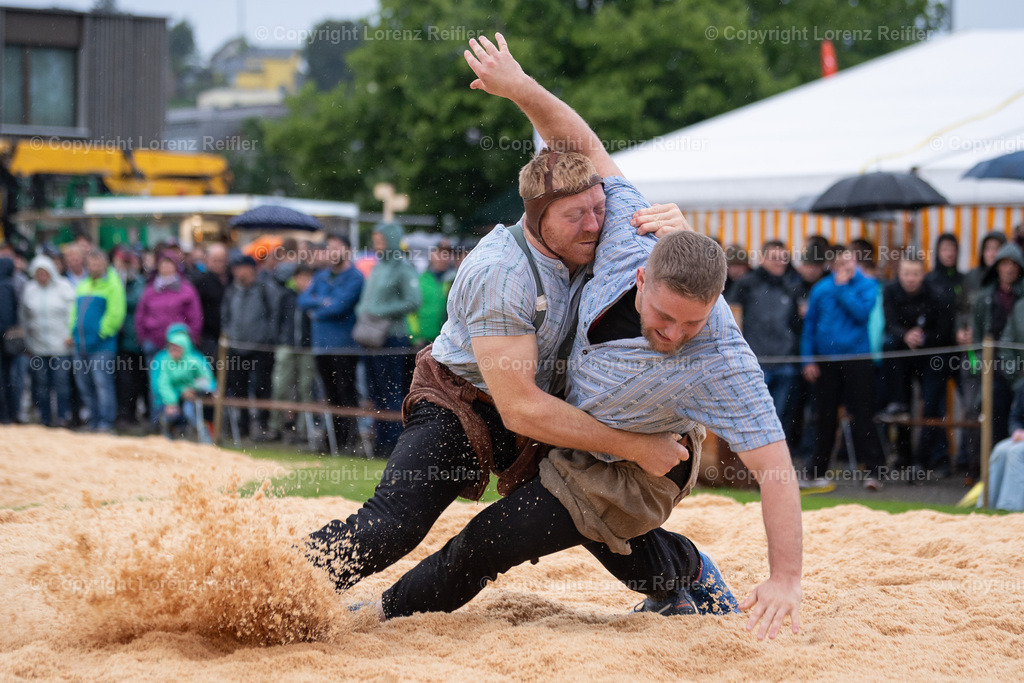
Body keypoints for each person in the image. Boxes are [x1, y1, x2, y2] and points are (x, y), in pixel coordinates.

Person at [304, 40, 693, 613]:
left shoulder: (604, 221)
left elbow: (581, 143)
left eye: (598, 208)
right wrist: (635, 445)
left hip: (542, 401)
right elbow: (520, 410)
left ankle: (684, 579)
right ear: (537, 218)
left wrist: (520, 87)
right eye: (576, 216)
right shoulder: (501, 272)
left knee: (589, 504)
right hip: (468, 401)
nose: (595, 224)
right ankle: (274, 582)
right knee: (394, 525)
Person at [801, 244, 886, 491]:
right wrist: (808, 359)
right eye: (841, 264)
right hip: (826, 361)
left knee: (863, 416)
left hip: (858, 359)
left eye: (850, 261)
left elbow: (862, 314)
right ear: (832, 265)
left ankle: (874, 471)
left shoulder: (868, 284)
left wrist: (842, 289)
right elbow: (810, 327)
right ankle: (816, 472)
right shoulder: (820, 289)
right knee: (825, 417)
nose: (847, 267)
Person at [356, 223, 422, 458]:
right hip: (371, 337)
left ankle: (394, 443)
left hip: (392, 337)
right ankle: (380, 440)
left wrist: (380, 310)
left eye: (381, 239)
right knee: (374, 390)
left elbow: (414, 301)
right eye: (375, 239)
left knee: (391, 391)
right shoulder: (378, 267)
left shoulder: (403, 268)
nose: (377, 244)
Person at [881, 256, 948, 475]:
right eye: (906, 273)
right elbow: (890, 324)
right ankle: (904, 456)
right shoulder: (890, 291)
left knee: (930, 407)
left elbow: (944, 330)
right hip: (901, 356)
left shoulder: (935, 294)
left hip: (930, 356)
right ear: (899, 274)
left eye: (915, 274)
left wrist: (923, 337)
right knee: (903, 407)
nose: (910, 279)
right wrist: (906, 335)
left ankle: (925, 459)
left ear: (923, 274)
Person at [298, 235, 364, 449]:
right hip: (321, 345)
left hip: (344, 346)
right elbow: (303, 299)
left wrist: (317, 310)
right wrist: (322, 302)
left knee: (346, 391)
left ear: (347, 250)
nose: (332, 252)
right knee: (329, 393)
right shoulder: (322, 275)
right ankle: (333, 438)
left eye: (337, 248)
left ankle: (348, 437)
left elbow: (341, 306)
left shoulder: (355, 277)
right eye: (330, 248)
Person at [727, 240, 802, 422]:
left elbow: (795, 324)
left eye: (783, 258)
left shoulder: (790, 286)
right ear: (762, 259)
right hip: (755, 364)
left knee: (778, 420)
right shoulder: (747, 284)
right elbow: (731, 318)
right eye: (774, 258)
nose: (780, 262)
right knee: (754, 419)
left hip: (783, 362)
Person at [957, 230, 1007, 480]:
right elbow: (961, 312)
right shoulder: (972, 279)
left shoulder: (1006, 287)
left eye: (997, 249)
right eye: (988, 248)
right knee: (971, 409)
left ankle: (995, 470)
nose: (992, 254)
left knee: (997, 410)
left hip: (1001, 358)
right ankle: (972, 466)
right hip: (974, 355)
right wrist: (961, 330)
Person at [221, 254, 281, 440]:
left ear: (251, 269)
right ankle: (242, 425)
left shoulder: (265, 289)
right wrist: (229, 335)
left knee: (263, 387)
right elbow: (226, 315)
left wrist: (268, 338)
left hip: (261, 348)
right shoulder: (232, 290)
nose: (238, 272)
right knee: (238, 388)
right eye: (236, 269)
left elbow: (275, 315)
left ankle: (264, 425)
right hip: (237, 346)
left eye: (242, 268)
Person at [973, 242, 1024, 451]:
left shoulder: (1021, 301)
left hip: (1020, 369)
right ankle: (986, 467)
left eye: (1013, 264)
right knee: (992, 413)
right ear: (997, 267)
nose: (1009, 269)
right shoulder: (985, 297)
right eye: (1004, 264)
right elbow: (977, 339)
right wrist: (977, 366)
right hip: (992, 367)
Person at [68, 250, 126, 432]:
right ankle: (93, 420)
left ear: (105, 264)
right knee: (85, 385)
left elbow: (116, 314)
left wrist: (101, 332)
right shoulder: (83, 284)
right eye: (91, 264)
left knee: (102, 385)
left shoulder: (112, 284)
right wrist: (73, 331)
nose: (94, 267)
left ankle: (106, 422)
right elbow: (74, 312)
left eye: (97, 263)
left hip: (102, 346)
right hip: (81, 344)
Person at [20, 255, 76, 427]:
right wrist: (27, 341)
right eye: (38, 273)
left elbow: (72, 312)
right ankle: (45, 418)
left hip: (61, 345)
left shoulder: (64, 287)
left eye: (45, 273)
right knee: (41, 385)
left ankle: (62, 417)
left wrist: (69, 334)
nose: (42, 277)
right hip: (38, 346)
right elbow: (24, 317)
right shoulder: (29, 289)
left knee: (61, 383)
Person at [268, 264, 317, 442]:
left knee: (306, 388)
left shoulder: (313, 297)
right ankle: (275, 426)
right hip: (287, 346)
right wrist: (279, 340)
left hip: (307, 348)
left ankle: (303, 429)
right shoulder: (286, 296)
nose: (303, 282)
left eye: (307, 277)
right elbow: (277, 320)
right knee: (280, 386)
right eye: (300, 277)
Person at [150, 322, 216, 440]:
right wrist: (174, 399)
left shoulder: (195, 361)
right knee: (170, 415)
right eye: (172, 346)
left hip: (194, 398)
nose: (173, 350)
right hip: (170, 399)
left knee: (190, 410)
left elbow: (208, 381)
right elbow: (161, 385)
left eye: (177, 347)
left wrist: (193, 389)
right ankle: (169, 437)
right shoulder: (164, 361)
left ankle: (203, 436)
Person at [188, 242, 231, 360]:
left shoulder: (231, 278)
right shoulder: (200, 281)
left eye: (221, 260)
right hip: (208, 334)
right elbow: (195, 309)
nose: (218, 264)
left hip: (227, 333)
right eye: (215, 260)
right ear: (207, 260)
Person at [0, 257, 20, 423]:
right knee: (6, 377)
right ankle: (7, 414)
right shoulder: (7, 285)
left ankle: (6, 414)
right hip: (4, 340)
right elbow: (7, 316)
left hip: (3, 340)